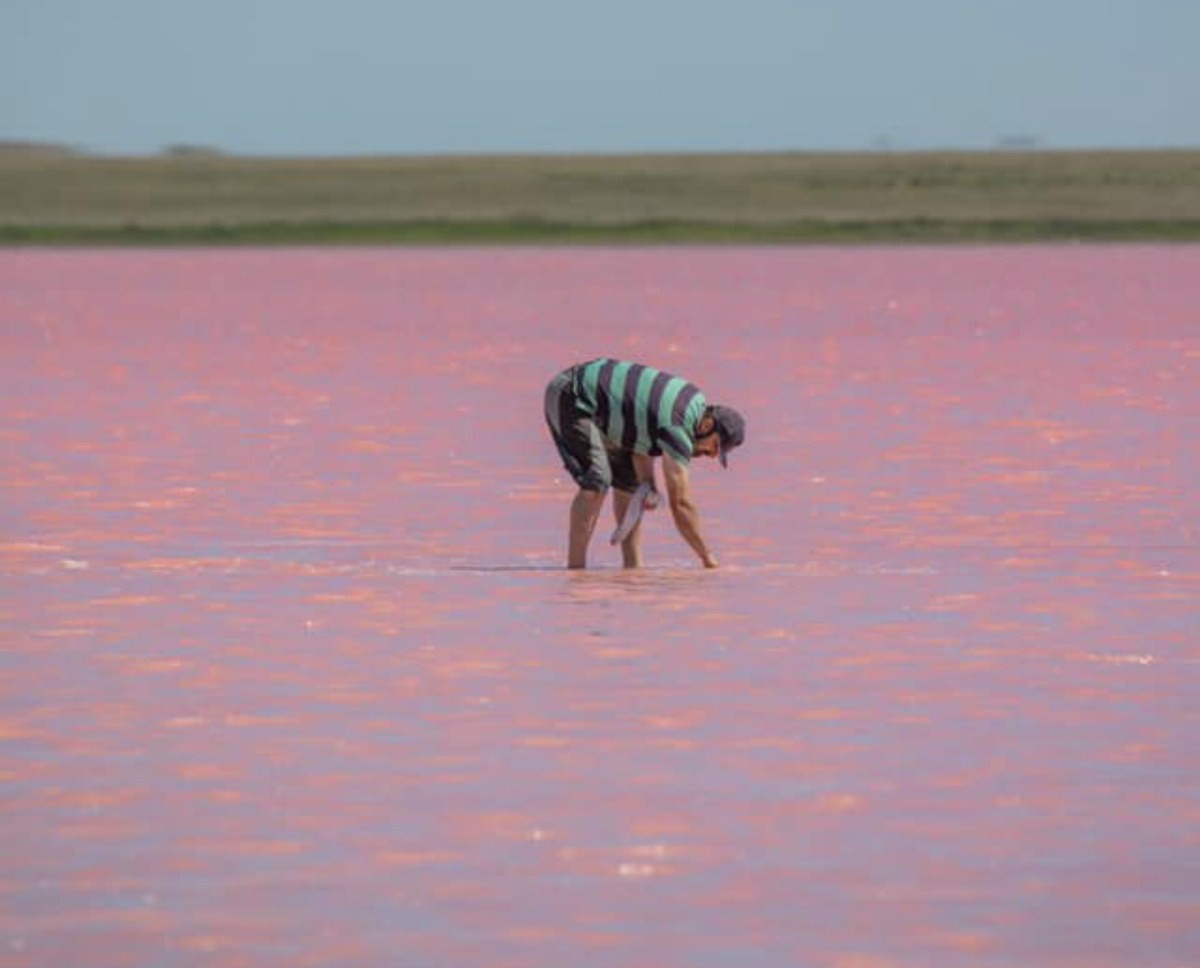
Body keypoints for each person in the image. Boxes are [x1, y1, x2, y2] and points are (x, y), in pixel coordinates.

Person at [544, 358, 746, 569]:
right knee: (597, 481)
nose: (712, 455)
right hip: (571, 394)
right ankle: (576, 574)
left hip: (599, 408)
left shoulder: (695, 403)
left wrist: (648, 484)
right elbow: (681, 504)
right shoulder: (677, 428)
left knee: (631, 489)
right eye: (715, 446)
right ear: (706, 425)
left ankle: (633, 572)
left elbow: (643, 436)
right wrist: (707, 558)